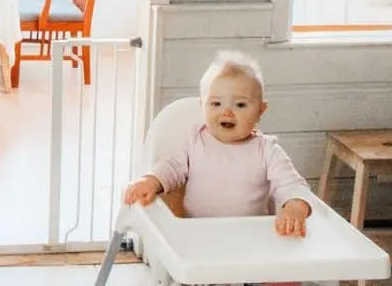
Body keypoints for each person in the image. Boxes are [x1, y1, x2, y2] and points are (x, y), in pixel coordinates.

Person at [123, 51, 314, 237]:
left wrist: (295, 203)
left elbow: (292, 183)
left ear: (260, 110)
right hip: (198, 236)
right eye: (216, 104)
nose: (227, 112)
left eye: (240, 105)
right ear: (202, 106)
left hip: (251, 238)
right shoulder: (194, 141)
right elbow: (171, 167)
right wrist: (151, 181)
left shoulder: (267, 150)